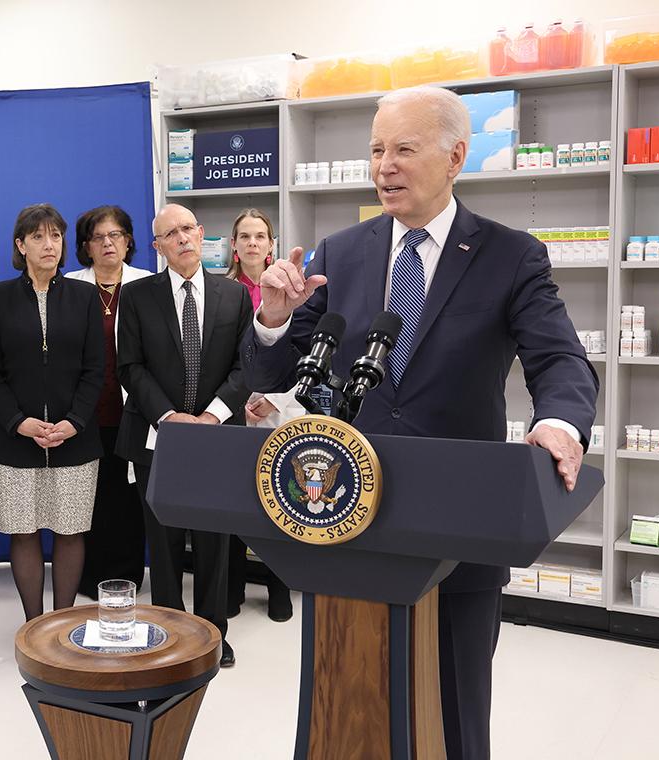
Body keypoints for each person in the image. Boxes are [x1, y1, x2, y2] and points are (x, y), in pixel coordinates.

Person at [243, 85, 598, 759]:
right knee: (346, 697)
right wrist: (273, 319)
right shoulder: (340, 252)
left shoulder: (509, 255)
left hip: (460, 524)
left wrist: (558, 422)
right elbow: (275, 379)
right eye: (376, 149)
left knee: (457, 708)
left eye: (404, 149)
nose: (384, 166)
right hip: (345, 517)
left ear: (456, 156)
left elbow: (560, 360)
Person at [115, 203, 253, 668]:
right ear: (157, 246)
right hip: (159, 437)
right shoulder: (137, 297)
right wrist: (169, 417)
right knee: (165, 540)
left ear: (201, 234)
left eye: (189, 229)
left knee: (214, 539)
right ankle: (171, 631)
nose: (182, 238)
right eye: (170, 233)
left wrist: (212, 417)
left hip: (217, 435)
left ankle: (213, 633)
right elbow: (129, 367)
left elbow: (245, 366)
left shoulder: (233, 295)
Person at [0, 204, 104, 621]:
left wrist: (74, 423)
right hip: (15, 439)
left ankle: (61, 623)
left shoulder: (86, 296)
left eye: (55, 235)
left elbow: (95, 370)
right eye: (37, 237)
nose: (48, 244)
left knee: (70, 531)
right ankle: (34, 624)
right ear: (21, 245)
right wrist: (19, 422)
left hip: (76, 437)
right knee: (24, 531)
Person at [66, 205, 152, 599]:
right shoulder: (71, 285)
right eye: (98, 237)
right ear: (86, 246)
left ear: (128, 240)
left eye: (115, 235)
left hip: (134, 410)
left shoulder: (146, 284)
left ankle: (127, 577)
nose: (107, 243)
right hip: (83, 413)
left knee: (128, 500)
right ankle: (89, 578)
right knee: (89, 499)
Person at [223, 208, 294, 623]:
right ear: (233, 245)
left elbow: (302, 356)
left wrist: (274, 399)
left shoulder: (292, 292)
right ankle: (231, 589)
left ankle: (279, 590)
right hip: (234, 413)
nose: (252, 243)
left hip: (277, 412)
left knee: (279, 501)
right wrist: (239, 400)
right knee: (234, 504)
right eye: (244, 236)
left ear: (272, 245)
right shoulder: (221, 291)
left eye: (260, 236)